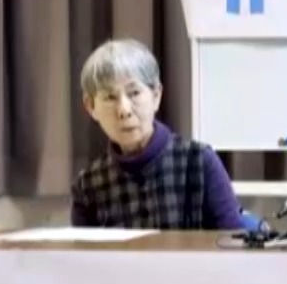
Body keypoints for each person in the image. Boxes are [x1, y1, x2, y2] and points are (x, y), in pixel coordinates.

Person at [71, 38, 246, 231]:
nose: (124, 110)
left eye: (134, 93)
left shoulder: (199, 162)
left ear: (156, 96)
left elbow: (233, 242)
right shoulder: (88, 186)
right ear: (90, 106)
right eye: (110, 97)